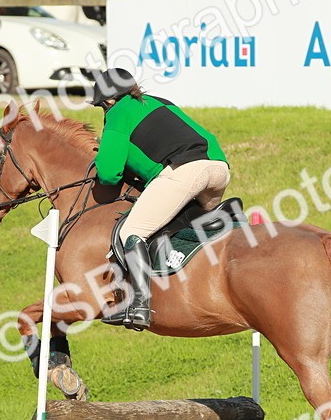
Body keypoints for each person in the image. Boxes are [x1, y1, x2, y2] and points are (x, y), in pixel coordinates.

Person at [90, 68, 230, 331]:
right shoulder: (160, 102)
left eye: (102, 107)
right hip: (219, 168)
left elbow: (108, 173)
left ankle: (140, 305)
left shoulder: (118, 112)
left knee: (132, 230)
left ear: (108, 101)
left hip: (185, 171)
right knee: (177, 218)